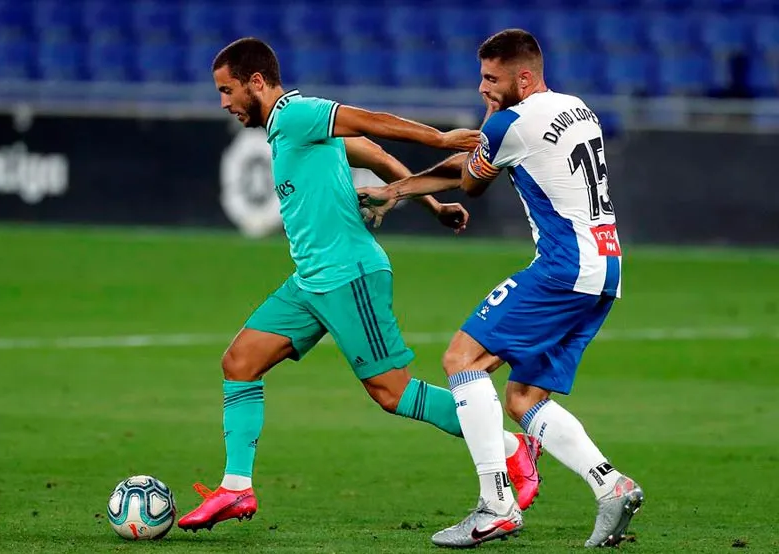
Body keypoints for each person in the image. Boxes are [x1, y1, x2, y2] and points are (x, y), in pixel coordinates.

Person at [178, 37, 541, 533]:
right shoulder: (288, 132)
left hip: (350, 274)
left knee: (392, 394)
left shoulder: (294, 114)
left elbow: (370, 122)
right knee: (239, 363)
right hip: (310, 282)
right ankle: (236, 488)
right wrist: (432, 206)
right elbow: (369, 150)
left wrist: (438, 140)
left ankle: (511, 447)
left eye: (227, 90)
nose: (223, 102)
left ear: (256, 82)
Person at [358, 29, 644, 549]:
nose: (484, 87)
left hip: (563, 266)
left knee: (462, 359)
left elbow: (470, 181)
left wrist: (487, 123)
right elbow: (473, 162)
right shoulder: (576, 107)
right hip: (606, 267)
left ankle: (496, 504)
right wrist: (399, 189)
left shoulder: (511, 121)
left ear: (525, 77)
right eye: (482, 76)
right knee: (523, 397)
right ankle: (612, 485)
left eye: (493, 78)